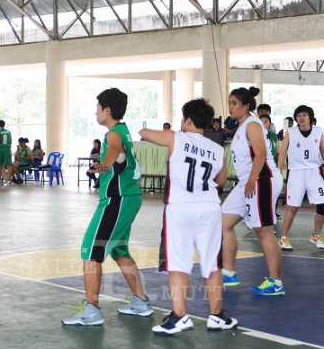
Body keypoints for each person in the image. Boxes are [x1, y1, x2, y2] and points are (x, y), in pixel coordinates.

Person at [140, 99, 237, 335]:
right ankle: (216, 316)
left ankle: (180, 317)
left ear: (188, 120)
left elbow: (143, 132)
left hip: (180, 209)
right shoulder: (216, 149)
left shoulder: (175, 138)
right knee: (212, 264)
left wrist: (169, 132)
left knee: (179, 265)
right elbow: (221, 181)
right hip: (209, 208)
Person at [62, 88, 152, 326]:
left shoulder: (113, 134)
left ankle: (92, 310)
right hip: (129, 198)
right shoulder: (123, 131)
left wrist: (104, 164)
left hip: (117, 199)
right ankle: (141, 302)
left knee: (91, 250)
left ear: (107, 110)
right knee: (119, 250)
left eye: (97, 108)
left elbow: (114, 149)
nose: (95, 112)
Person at [221, 87, 284, 296]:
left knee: (263, 230)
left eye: (234, 103)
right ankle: (228, 273)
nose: (230, 107)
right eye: (229, 102)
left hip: (261, 180)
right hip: (247, 182)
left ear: (246, 106)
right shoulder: (241, 127)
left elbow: (261, 154)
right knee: (223, 222)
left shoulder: (253, 124)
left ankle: (276, 282)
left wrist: (251, 180)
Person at [277, 105, 324, 250]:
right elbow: (283, 152)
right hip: (296, 172)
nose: (301, 118)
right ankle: (283, 238)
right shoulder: (290, 132)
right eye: (298, 116)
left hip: (314, 171)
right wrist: (279, 170)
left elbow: (323, 151)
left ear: (310, 116)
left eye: (304, 115)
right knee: (293, 207)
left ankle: (316, 235)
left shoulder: (319, 131)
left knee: (322, 205)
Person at [0, 120, 13, 185]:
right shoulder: (8, 132)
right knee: (9, 165)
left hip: (0, 149)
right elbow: (10, 141)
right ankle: (9, 180)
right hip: (7, 149)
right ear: (4, 125)